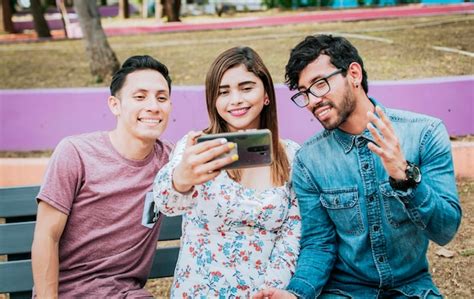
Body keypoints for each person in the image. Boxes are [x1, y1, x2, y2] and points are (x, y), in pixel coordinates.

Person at [254, 35, 462, 299]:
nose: (312, 101)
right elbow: (319, 243)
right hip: (344, 291)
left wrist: (405, 176)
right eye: (304, 93)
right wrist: (297, 294)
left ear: (353, 73)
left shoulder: (424, 134)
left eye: (319, 84)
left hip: (412, 288)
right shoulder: (309, 160)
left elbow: (445, 230)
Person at [153, 46, 301, 298]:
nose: (235, 100)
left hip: (264, 293)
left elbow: (292, 236)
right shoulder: (195, 148)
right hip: (198, 291)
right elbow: (166, 204)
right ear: (214, 100)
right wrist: (181, 179)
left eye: (246, 88)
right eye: (223, 92)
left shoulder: (291, 156)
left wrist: (269, 290)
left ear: (266, 94)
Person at [31, 55, 174, 298]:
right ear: (115, 105)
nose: (153, 106)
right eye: (140, 97)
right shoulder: (76, 153)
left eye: (162, 98)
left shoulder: (171, 161)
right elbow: (47, 236)